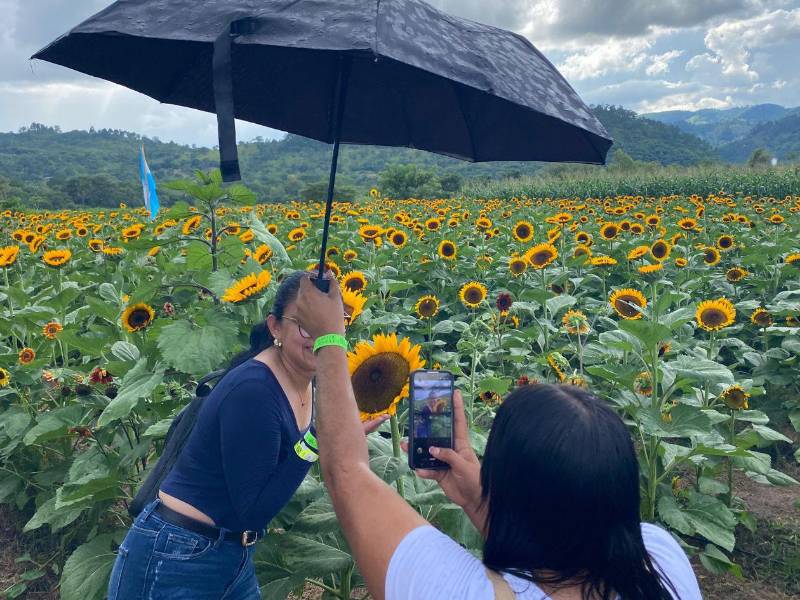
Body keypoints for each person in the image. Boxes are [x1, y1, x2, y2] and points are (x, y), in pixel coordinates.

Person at [293, 274, 703, 600]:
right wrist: (479, 501)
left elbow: (346, 471)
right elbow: (562, 545)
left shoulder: (462, 592)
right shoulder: (660, 559)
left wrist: (329, 336)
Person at [107, 271, 385, 600]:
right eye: (304, 324)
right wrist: (314, 442)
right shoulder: (256, 389)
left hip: (229, 551)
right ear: (275, 327)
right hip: (176, 555)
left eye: (330, 325)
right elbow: (252, 509)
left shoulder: (307, 382)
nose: (317, 336)